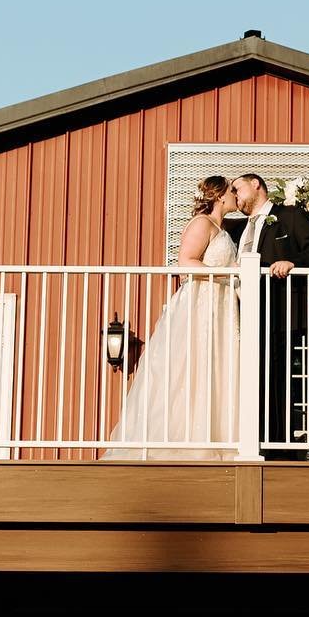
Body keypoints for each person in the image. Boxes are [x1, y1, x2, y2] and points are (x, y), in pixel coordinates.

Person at [105, 176, 239, 459]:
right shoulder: (202, 224)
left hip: (222, 303)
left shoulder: (222, 228)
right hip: (202, 302)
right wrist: (231, 273)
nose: (236, 196)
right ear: (219, 196)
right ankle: (184, 439)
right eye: (232, 191)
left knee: (215, 368)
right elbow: (185, 262)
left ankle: (216, 437)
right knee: (191, 367)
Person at [229, 173, 309, 453]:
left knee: (277, 377)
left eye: (237, 188)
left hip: (281, 311)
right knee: (249, 377)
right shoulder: (237, 228)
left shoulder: (289, 215)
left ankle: (278, 446)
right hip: (243, 312)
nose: (234, 195)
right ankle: (252, 441)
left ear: (256, 184)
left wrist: (291, 262)